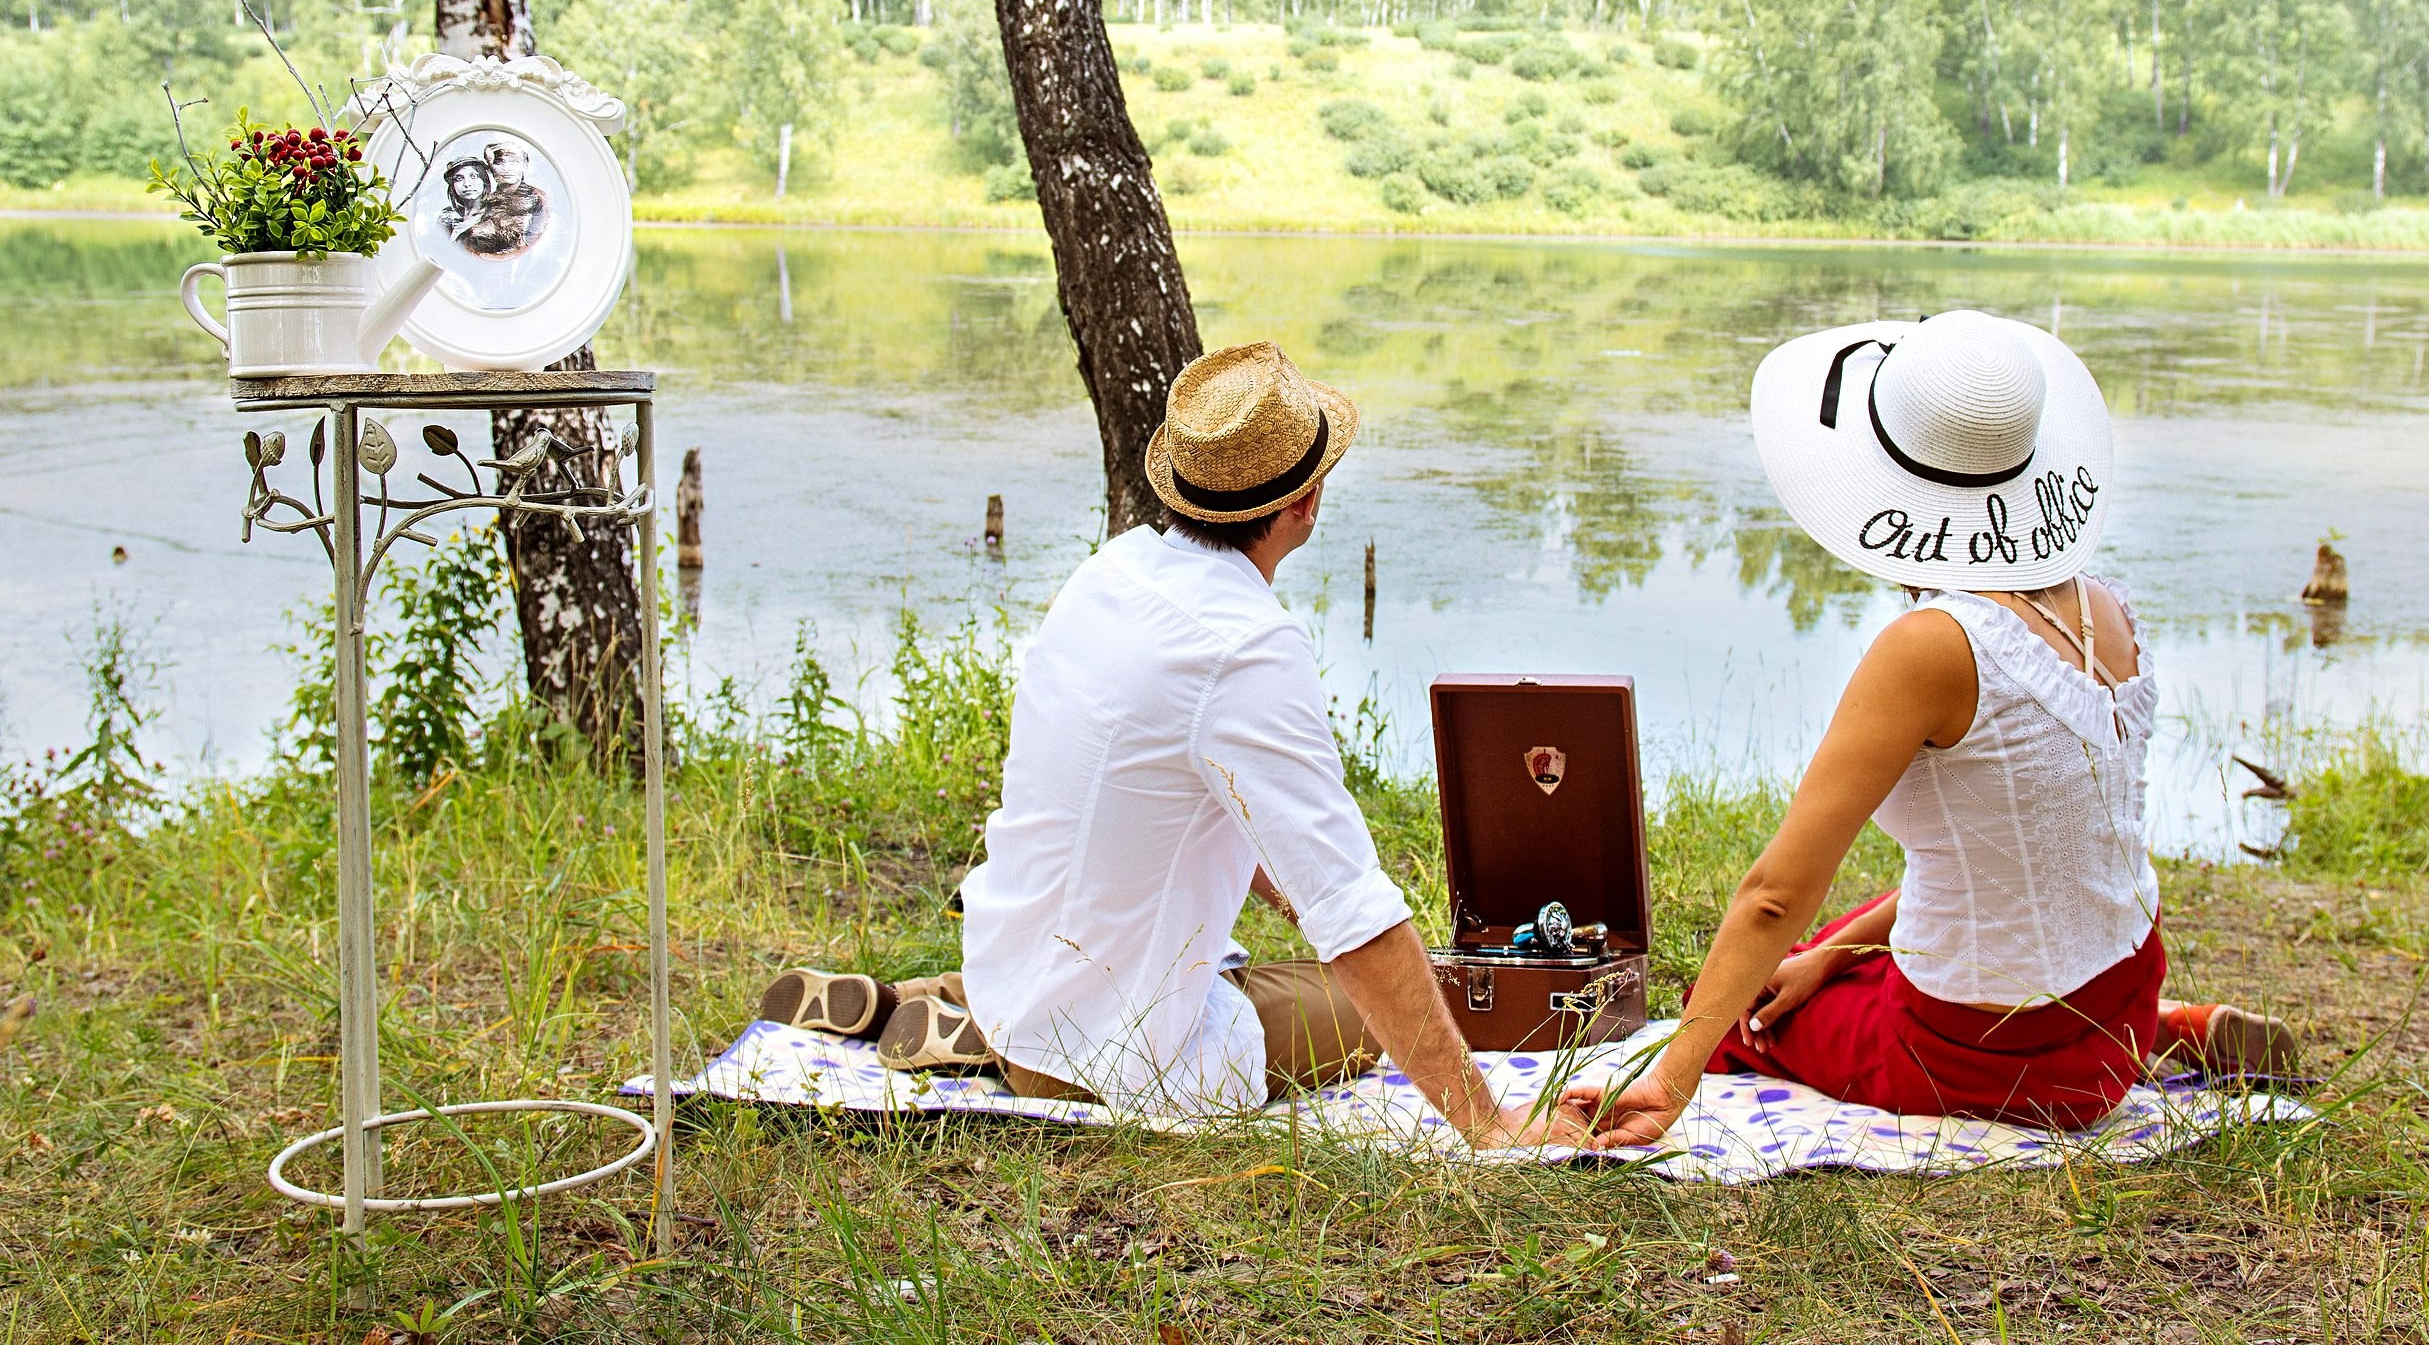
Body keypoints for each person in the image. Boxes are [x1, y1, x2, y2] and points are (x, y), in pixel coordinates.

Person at [761, 342, 1584, 1149]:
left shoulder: (1112, 570)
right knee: (1359, 1014)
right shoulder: (1246, 647)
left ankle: (957, 1004)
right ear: (1305, 503)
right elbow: (1353, 912)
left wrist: (1291, 891)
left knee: (1228, 959)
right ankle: (1004, 1039)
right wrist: (1488, 1121)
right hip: (1101, 1056)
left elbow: (1199, 804)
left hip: (1012, 966)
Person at [1569, 310, 2297, 1146]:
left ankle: (2123, 1035)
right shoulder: (2106, 607)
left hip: (1984, 1059)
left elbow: (1774, 894)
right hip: (2119, 996)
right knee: (1853, 934)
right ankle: (2163, 1027)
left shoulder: (1931, 646)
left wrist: (1670, 1080)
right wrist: (1829, 954)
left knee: (1750, 1012)